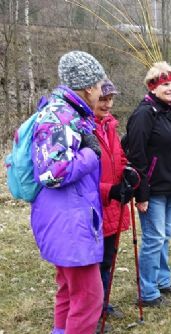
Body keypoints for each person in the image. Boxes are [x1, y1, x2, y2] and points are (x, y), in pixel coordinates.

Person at [30, 51, 107, 334]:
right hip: (69, 223)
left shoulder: (67, 112)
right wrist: (90, 153)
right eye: (99, 86)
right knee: (88, 298)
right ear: (88, 87)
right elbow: (53, 172)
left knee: (68, 290)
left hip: (64, 217)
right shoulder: (61, 116)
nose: (101, 93)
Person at [125, 61, 171, 307]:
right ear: (153, 87)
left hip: (170, 186)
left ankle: (163, 280)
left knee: (165, 237)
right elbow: (137, 155)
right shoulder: (144, 114)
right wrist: (141, 193)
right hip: (152, 188)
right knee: (154, 238)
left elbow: (168, 149)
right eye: (166, 84)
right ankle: (147, 291)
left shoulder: (169, 111)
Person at [94, 79, 139, 324]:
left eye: (111, 99)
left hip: (112, 204)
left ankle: (103, 302)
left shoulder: (110, 126)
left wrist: (129, 172)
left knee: (108, 258)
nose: (108, 104)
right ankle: (93, 308)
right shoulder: (84, 129)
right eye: (103, 98)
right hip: (94, 207)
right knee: (94, 261)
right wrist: (108, 189)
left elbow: (119, 158)